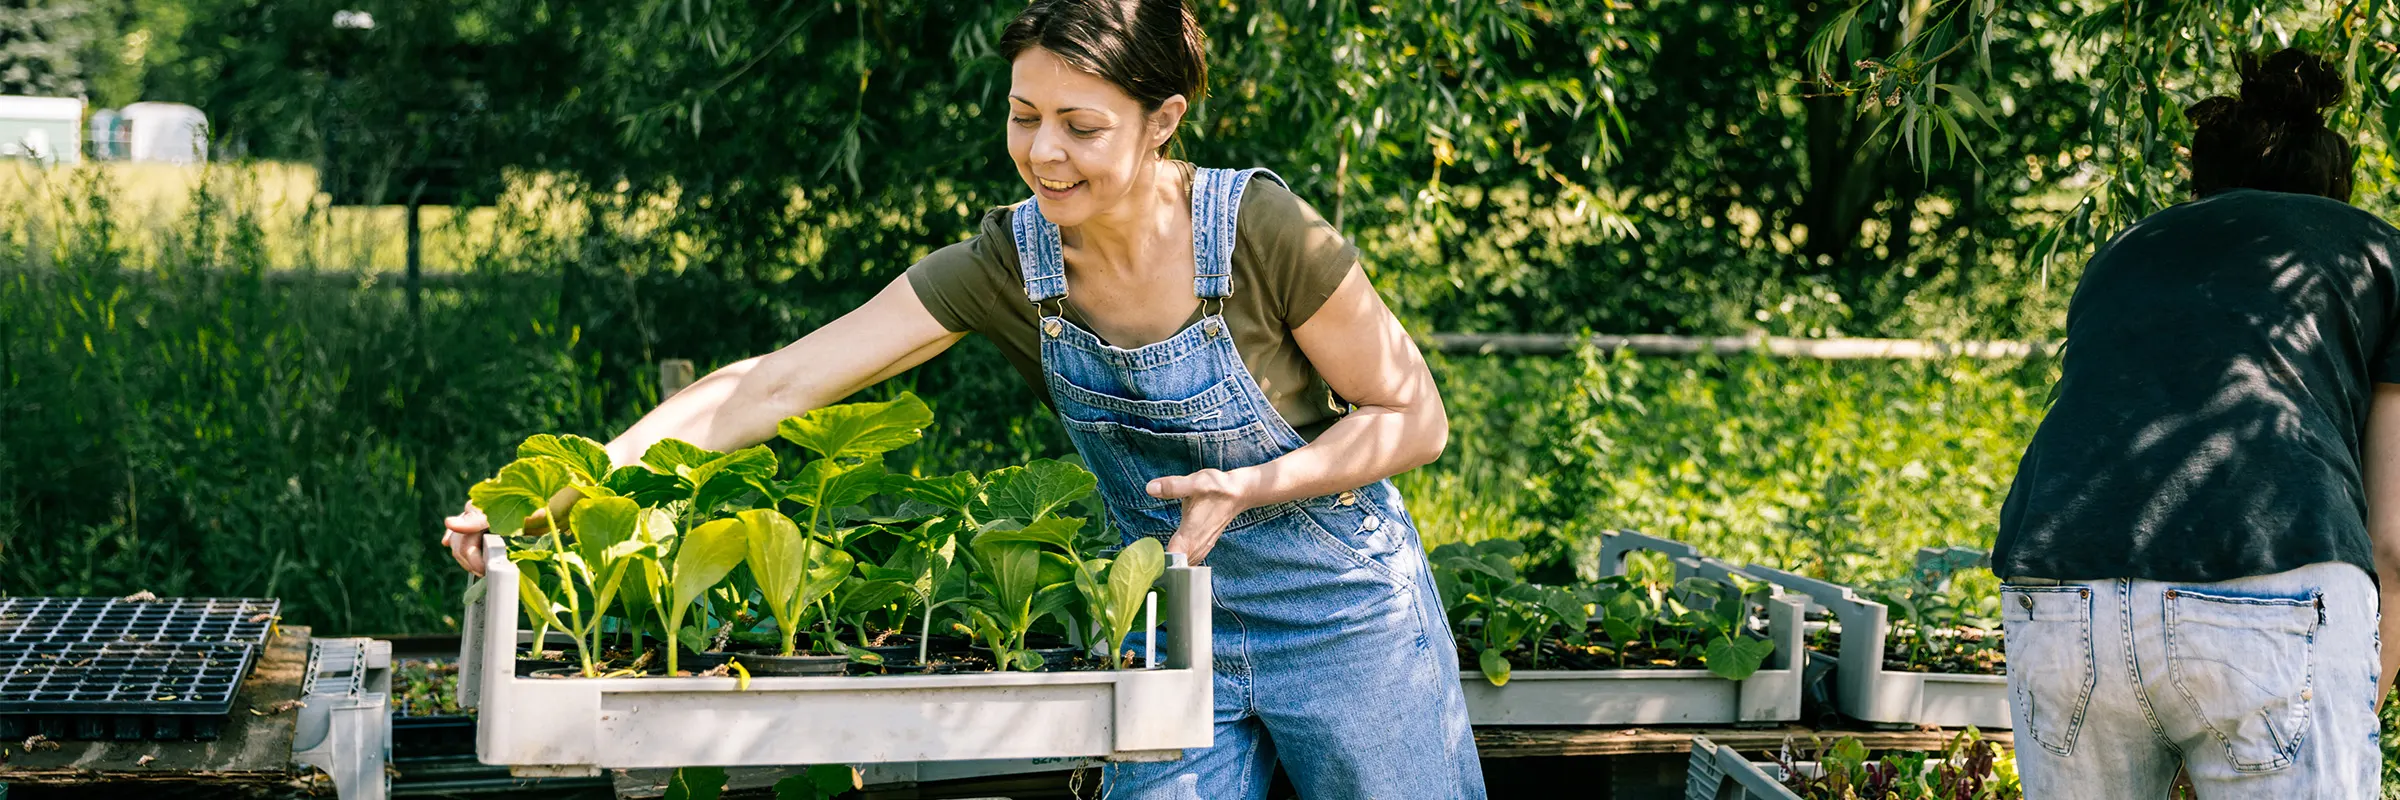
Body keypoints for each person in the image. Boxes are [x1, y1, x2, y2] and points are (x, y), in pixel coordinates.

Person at [437, 0, 1487, 796]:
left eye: (1081, 125)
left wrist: (1256, 482)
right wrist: (559, 494)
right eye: (1024, 115)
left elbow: (1414, 415)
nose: (1043, 152)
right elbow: (774, 381)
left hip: (1346, 619)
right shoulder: (1010, 262)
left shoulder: (1260, 229)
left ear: (1162, 119)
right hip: (1175, 627)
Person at [1992, 47, 2399, 799]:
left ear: (2201, 185)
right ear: (2335, 188)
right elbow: (2394, 540)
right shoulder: (2376, 250)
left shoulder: (2127, 251)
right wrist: (2352, 702)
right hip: (2272, 581)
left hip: (2057, 590)